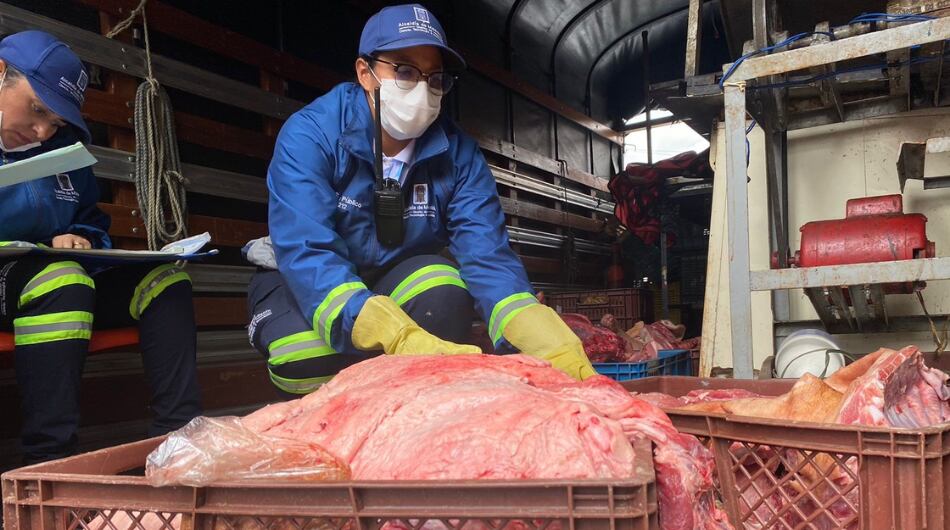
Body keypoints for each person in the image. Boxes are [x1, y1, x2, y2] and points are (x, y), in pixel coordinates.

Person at [243, 3, 596, 397]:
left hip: (393, 277)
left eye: (435, 78)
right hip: (301, 277)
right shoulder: (312, 135)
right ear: (366, 73)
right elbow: (307, 250)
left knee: (444, 291)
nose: (423, 89)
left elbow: (487, 257)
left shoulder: (458, 154)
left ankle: (407, 422)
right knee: (303, 356)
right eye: (406, 71)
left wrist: (534, 326)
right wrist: (391, 333)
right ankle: (332, 429)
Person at [0, 30, 202, 463]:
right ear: (0, 73)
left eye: (55, 122)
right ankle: (49, 461)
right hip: (24, 283)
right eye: (37, 109)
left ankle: (178, 444)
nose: (41, 128)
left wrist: (82, 238)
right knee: (62, 279)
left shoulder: (63, 155)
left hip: (56, 277)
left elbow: (91, 223)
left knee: (165, 279)